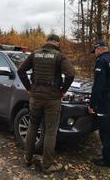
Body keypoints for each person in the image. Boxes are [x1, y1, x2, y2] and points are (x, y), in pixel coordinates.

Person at [17, 34, 75, 174]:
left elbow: (20, 70)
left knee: (32, 126)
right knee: (50, 131)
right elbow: (71, 74)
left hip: (36, 97)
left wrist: (29, 88)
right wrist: (62, 91)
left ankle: (28, 158)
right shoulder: (59, 56)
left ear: (47, 41)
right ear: (57, 43)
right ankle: (47, 165)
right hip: (52, 99)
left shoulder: (35, 54)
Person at [88, 40, 110, 168]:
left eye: (95, 51)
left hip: (106, 100)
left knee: (106, 130)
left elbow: (98, 86)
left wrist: (92, 105)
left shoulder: (101, 62)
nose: (95, 54)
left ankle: (109, 160)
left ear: (99, 49)